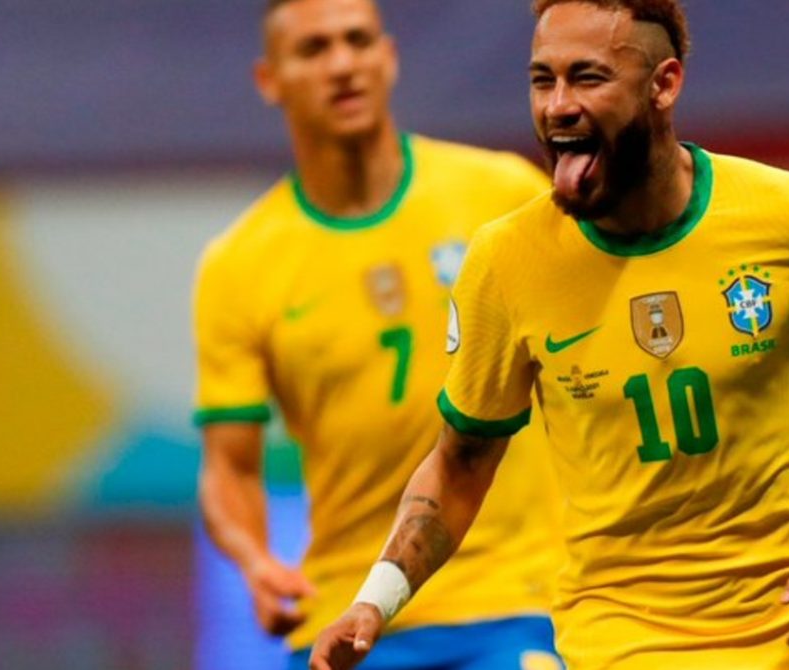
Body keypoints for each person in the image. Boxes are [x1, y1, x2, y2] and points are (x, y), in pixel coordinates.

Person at [309, 0, 789, 669]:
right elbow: (461, 462)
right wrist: (374, 601)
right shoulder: (507, 263)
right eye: (542, 80)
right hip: (621, 645)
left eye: (587, 78)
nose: (557, 105)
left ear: (663, 84)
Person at [192, 0, 564, 668]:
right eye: (313, 50)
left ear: (387, 58)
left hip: (517, 599)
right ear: (269, 79)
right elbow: (229, 464)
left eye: (357, 41)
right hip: (346, 613)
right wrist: (254, 561)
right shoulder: (239, 264)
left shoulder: (503, 195)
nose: (342, 64)